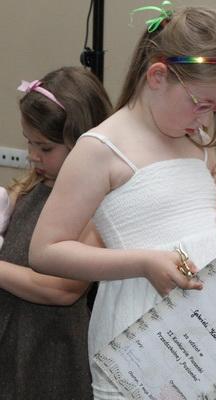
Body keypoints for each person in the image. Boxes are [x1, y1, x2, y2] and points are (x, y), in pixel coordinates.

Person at [29, 5, 216, 400]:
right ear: (157, 76)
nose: (205, 120)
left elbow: (207, 242)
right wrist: (143, 262)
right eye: (200, 104)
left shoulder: (199, 145)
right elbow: (45, 251)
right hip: (140, 338)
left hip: (211, 335)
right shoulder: (101, 149)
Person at [0, 66, 112, 399]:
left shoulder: (97, 205)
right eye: (29, 142)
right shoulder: (29, 187)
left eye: (46, 148)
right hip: (10, 340)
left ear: (83, 144)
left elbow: (61, 289)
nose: (33, 155)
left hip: (52, 355)